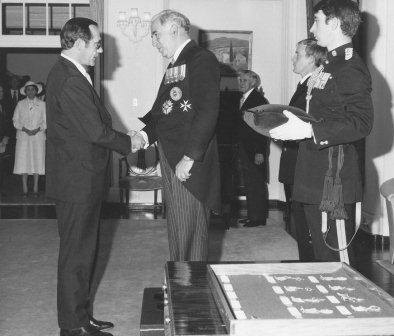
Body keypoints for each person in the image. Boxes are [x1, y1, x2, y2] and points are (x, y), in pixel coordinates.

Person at [46, 17, 136, 336]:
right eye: (96, 44)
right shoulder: (69, 78)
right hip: (76, 182)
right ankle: (72, 327)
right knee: (76, 256)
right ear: (79, 43)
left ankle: (83, 316)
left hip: (82, 179)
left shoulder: (73, 74)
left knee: (85, 253)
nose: (100, 50)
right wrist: (131, 142)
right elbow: (96, 131)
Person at [270, 0, 374, 266]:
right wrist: (294, 130)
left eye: (316, 20)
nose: (312, 28)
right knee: (318, 257)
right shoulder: (327, 66)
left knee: (336, 263)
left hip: (332, 181)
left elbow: (361, 122)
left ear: (334, 23)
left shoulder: (350, 67)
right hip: (312, 174)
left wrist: (310, 130)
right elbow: (320, 114)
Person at [132, 9, 221, 261]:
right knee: (180, 229)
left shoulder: (200, 59)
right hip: (172, 155)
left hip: (186, 160)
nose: (153, 42)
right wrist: (142, 136)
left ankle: (189, 289)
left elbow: (207, 111)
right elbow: (164, 113)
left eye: (156, 35)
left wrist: (190, 156)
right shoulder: (177, 64)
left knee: (189, 232)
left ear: (174, 28)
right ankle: (182, 286)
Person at [278, 39, 327, 261]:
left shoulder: (316, 87)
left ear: (311, 58)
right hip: (296, 164)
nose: (293, 58)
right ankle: (306, 265)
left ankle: (310, 269)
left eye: (297, 54)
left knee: (308, 228)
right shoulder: (304, 85)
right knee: (300, 225)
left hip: (304, 166)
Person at [237, 70, 269, 227]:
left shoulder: (259, 100)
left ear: (253, 83)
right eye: (240, 80)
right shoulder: (243, 98)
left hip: (254, 149)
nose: (240, 83)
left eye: (244, 80)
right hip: (244, 147)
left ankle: (258, 218)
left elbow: (263, 129)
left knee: (256, 182)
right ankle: (252, 215)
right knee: (250, 182)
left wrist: (260, 152)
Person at [12, 81, 46, 196]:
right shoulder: (20, 104)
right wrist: (25, 129)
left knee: (37, 160)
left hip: (38, 137)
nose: (31, 92)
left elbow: (46, 122)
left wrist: (38, 129)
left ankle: (36, 186)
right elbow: (15, 121)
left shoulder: (42, 104)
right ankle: (25, 186)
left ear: (36, 91)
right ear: (25, 91)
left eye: (33, 89)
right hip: (23, 137)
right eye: (28, 90)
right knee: (24, 161)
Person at [0, 83, 12, 197]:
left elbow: (7, 123)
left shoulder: (3, 106)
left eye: (2, 91)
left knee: (1, 165)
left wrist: (6, 136)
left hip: (2, 141)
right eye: (0, 91)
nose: (1, 93)